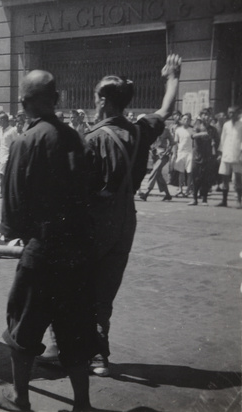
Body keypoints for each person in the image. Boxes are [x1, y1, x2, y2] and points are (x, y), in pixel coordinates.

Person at [0, 69, 98, 412]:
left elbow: (13, 207)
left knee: (23, 330)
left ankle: (21, 398)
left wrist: (10, 232)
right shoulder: (74, 137)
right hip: (77, 255)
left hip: (42, 253)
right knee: (75, 333)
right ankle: (82, 404)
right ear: (57, 100)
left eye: (22, 101)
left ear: (26, 102)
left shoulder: (26, 141)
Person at [84, 54, 181, 377]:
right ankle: (99, 357)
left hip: (98, 218)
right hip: (127, 217)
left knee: (79, 283)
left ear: (102, 101)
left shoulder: (93, 139)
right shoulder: (140, 131)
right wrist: (172, 77)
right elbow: (166, 110)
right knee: (107, 287)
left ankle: (77, 349)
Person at [188, 111, 218, 206]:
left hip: (208, 156)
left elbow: (217, 140)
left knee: (206, 178)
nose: (207, 117)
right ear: (201, 117)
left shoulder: (213, 129)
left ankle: (204, 199)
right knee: (195, 178)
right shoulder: (197, 127)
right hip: (197, 156)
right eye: (204, 115)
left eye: (208, 116)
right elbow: (192, 136)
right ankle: (194, 199)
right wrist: (204, 134)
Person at [139, 125, 175, 201]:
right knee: (158, 175)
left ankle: (146, 192)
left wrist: (168, 150)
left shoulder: (166, 130)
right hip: (154, 155)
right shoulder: (151, 129)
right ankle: (167, 195)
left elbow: (172, 142)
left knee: (155, 171)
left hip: (163, 155)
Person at [215, 106, 242, 208]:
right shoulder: (226, 125)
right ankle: (224, 201)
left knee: (238, 179)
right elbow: (223, 140)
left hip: (237, 155)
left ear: (237, 113)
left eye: (233, 113)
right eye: (230, 113)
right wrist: (220, 153)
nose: (231, 115)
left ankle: (239, 200)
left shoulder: (241, 125)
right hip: (226, 154)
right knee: (224, 178)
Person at [0, 112, 18, 199]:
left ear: (3, 120)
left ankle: (3, 192)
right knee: (3, 174)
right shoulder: (0, 131)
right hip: (2, 155)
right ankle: (7, 192)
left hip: (9, 156)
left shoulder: (12, 130)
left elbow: (16, 142)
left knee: (3, 174)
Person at [173, 113, 194, 197]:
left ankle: (188, 189)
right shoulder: (178, 130)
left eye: (188, 119)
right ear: (181, 120)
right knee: (181, 172)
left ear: (190, 120)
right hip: (180, 153)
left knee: (189, 172)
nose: (186, 121)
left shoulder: (192, 130)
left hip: (190, 153)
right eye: (184, 119)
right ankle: (180, 189)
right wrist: (175, 154)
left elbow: (195, 143)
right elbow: (175, 143)